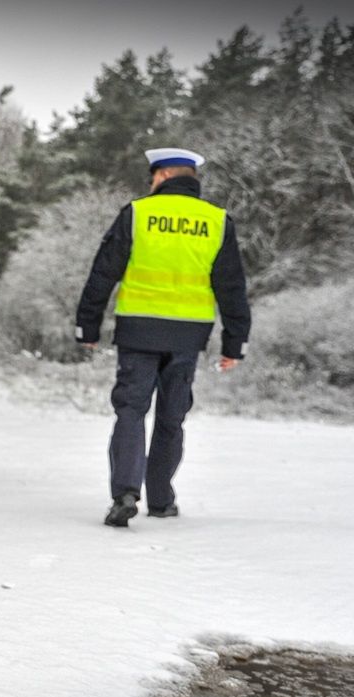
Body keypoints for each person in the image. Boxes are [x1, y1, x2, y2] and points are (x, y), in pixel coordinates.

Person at [75, 147, 251, 528]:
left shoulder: (138, 213)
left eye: (153, 177)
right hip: (189, 335)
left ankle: (124, 494)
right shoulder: (217, 221)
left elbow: (103, 272)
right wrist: (234, 343)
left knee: (131, 410)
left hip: (138, 330)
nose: (150, 183)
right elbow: (233, 287)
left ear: (165, 176)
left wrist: (87, 326)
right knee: (172, 417)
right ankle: (160, 500)